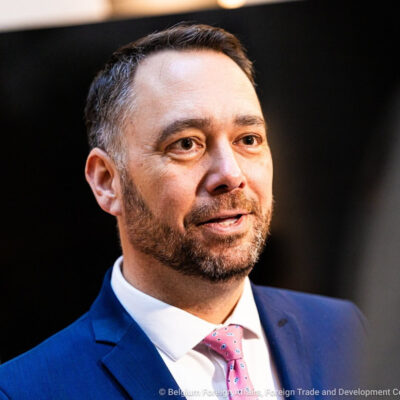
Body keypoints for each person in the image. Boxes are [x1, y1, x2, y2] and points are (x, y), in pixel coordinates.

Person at [0, 24, 365, 400]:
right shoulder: (25, 391)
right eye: (186, 144)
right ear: (107, 181)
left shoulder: (346, 329)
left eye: (248, 139)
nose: (231, 175)